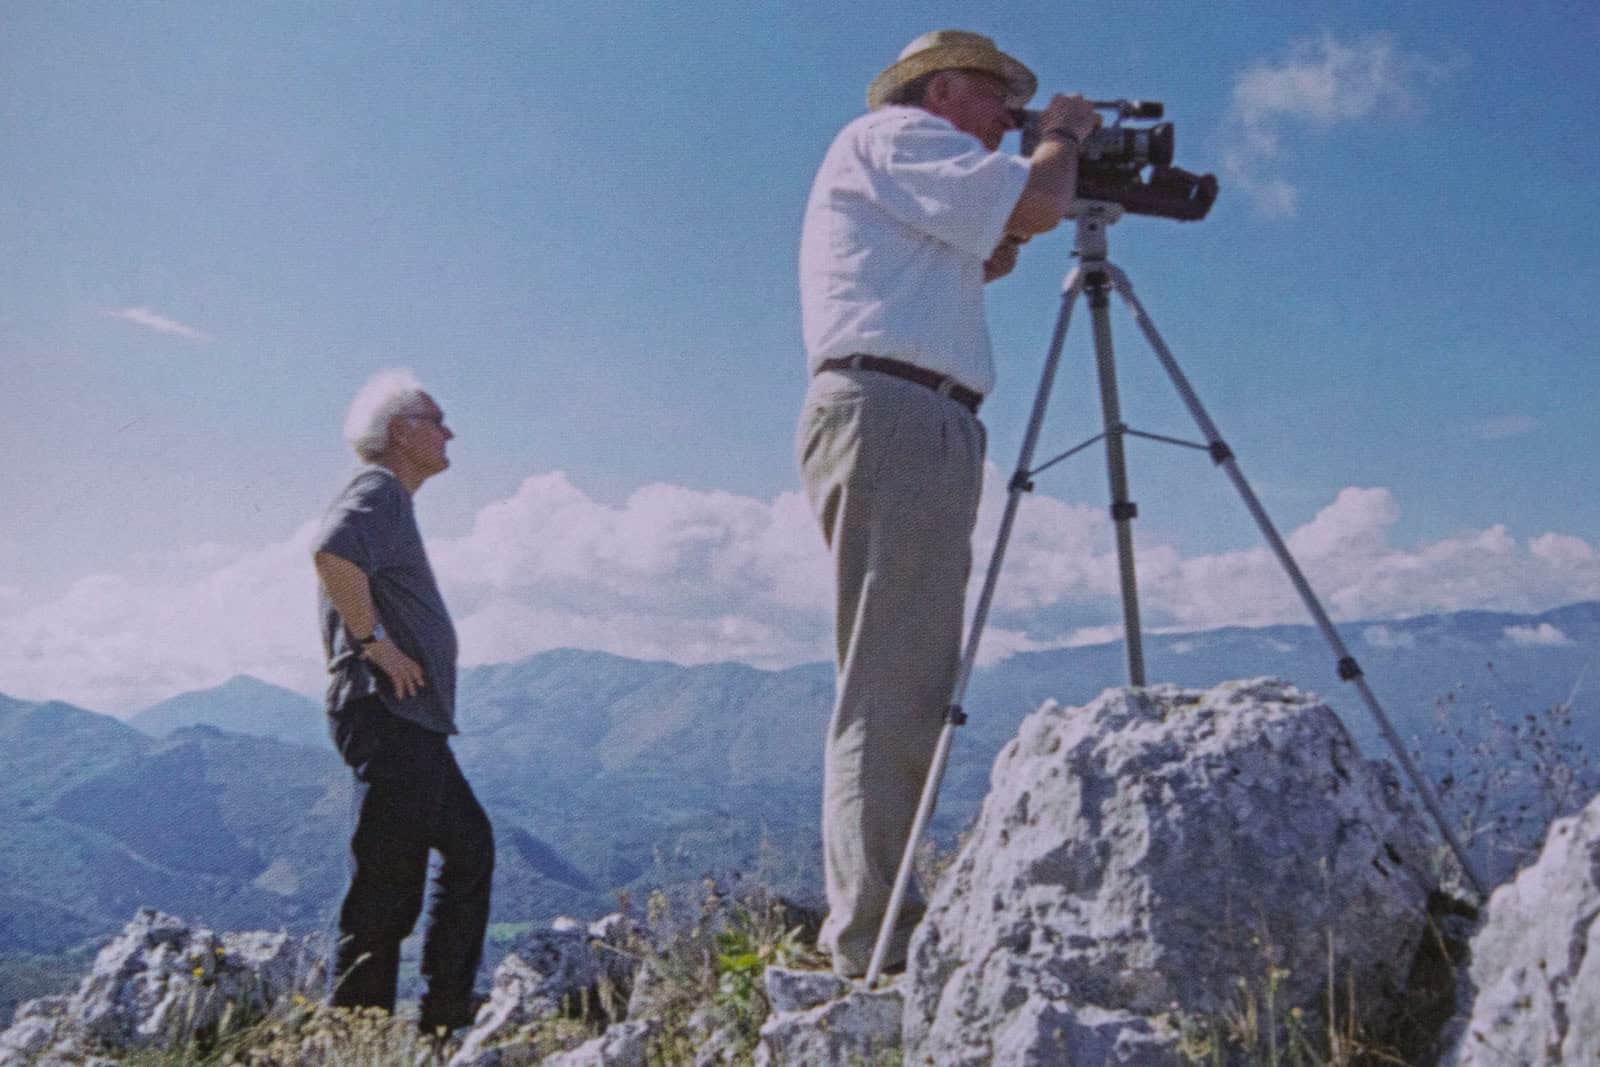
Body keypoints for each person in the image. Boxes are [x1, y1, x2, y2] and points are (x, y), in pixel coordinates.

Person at [796, 30, 1100, 977]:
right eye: (997, 100)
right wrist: (1062, 137)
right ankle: (872, 939)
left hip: (908, 415)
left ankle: (880, 916)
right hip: (898, 413)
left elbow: (1007, 238)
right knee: (892, 679)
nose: (1006, 120)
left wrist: (1030, 182)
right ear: (941, 92)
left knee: (904, 671)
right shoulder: (898, 135)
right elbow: (1041, 201)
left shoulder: (907, 168)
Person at [312, 369, 494, 1033]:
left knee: (469, 847)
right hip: (388, 714)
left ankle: (442, 1018)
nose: (450, 432)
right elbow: (332, 551)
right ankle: (356, 1039)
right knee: (388, 884)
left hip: (409, 720)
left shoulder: (392, 499)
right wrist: (375, 644)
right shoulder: (378, 489)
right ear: (399, 431)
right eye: (437, 418)